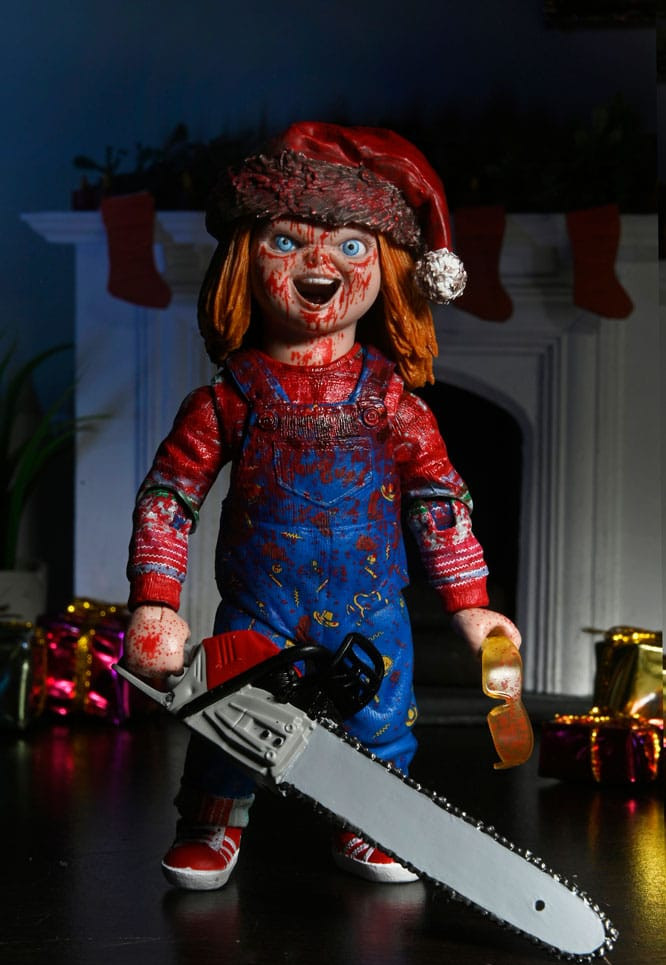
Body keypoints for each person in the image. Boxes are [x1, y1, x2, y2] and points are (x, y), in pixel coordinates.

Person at [124, 122, 521, 891]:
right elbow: (170, 496)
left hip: (371, 608)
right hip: (259, 607)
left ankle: (371, 822)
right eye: (286, 242)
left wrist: (471, 604)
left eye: (350, 245)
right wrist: (155, 601)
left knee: (381, 720)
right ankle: (212, 819)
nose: (319, 263)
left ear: (389, 270)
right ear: (243, 261)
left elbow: (438, 500)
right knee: (231, 716)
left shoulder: (394, 404)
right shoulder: (228, 399)